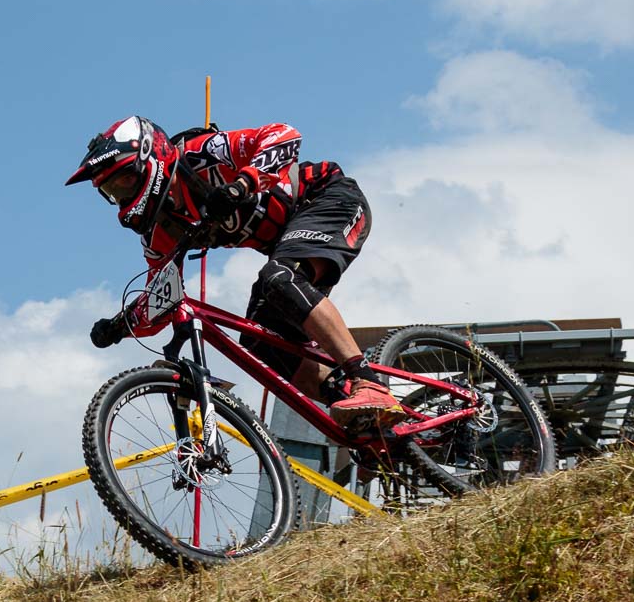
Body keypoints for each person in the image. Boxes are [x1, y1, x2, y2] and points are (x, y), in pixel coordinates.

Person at [66, 115, 401, 421]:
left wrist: (243, 183)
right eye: (110, 191)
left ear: (148, 158)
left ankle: (368, 382)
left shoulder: (198, 155)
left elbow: (284, 136)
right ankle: (361, 415)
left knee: (278, 277)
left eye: (123, 181)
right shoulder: (161, 229)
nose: (120, 195)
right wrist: (121, 325)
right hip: (288, 245)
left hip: (328, 198)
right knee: (259, 341)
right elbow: (161, 297)